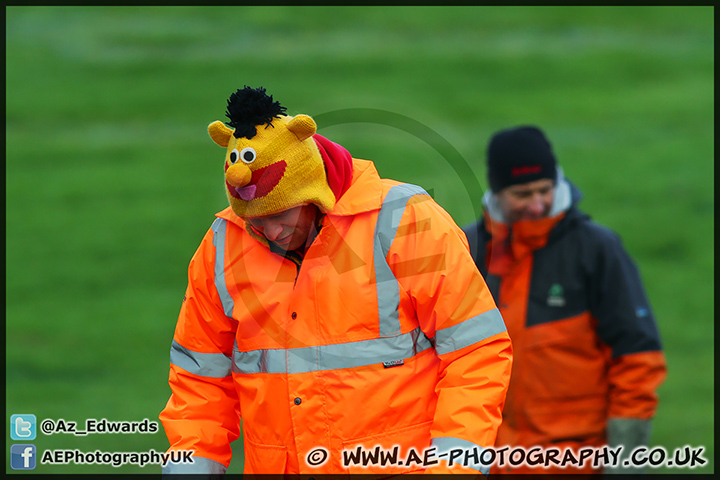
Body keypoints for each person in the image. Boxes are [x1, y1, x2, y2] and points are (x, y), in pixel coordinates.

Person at [159, 86, 513, 475]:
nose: (271, 232)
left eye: (282, 216)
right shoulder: (223, 244)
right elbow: (199, 381)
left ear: (314, 193)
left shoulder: (406, 221)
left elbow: (476, 354)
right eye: (256, 221)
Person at [462, 125, 667, 475]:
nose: (537, 204)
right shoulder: (465, 250)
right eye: (522, 194)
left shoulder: (598, 249)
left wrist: (627, 462)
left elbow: (637, 358)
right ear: (496, 193)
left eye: (545, 189)